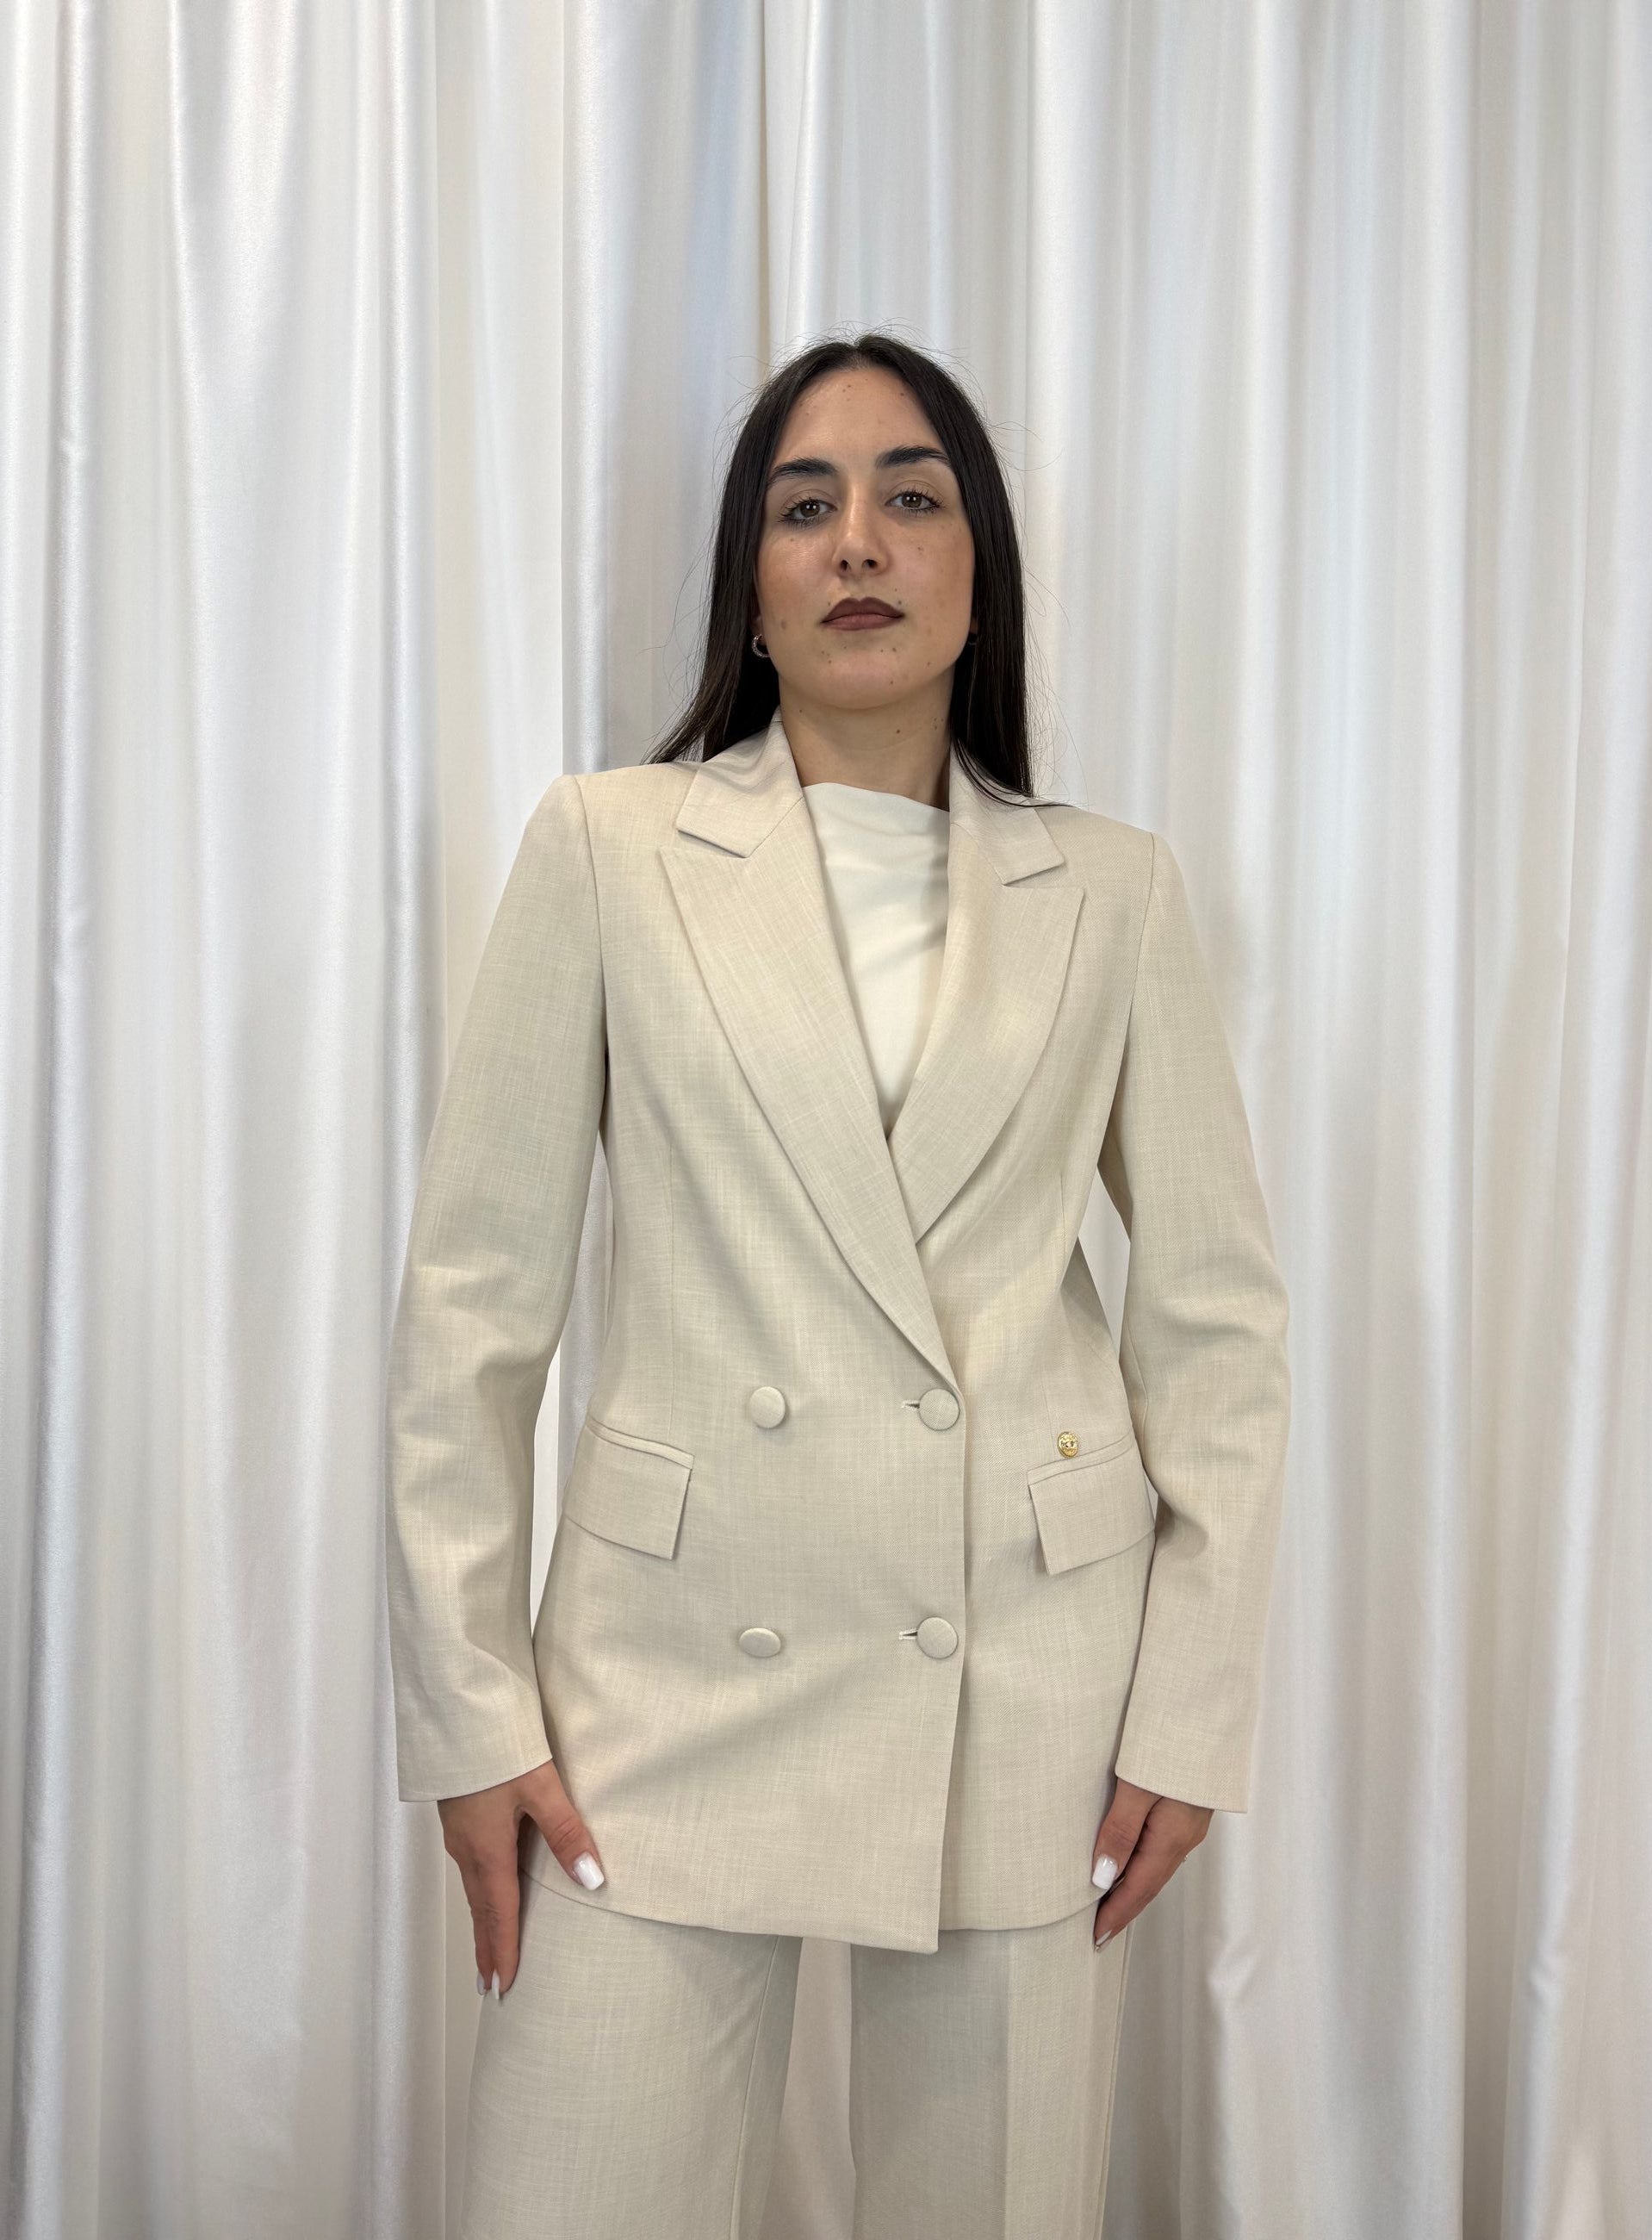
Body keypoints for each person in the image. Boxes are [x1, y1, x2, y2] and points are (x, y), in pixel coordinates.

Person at [383, 331, 1291, 2238]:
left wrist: (1189, 1717)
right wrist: (471, 1715)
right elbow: (472, 1311)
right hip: (654, 1684)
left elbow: (1215, 1329)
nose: (858, 539)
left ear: (978, 570)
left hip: (1025, 1683)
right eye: (805, 505)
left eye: (911, 496)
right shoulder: (611, 849)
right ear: (754, 580)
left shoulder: (1110, 890)